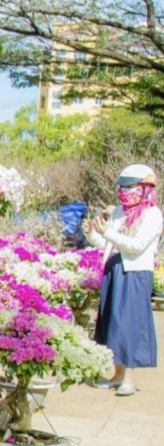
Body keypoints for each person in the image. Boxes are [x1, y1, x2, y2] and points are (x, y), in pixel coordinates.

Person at [84, 164, 163, 395]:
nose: (124, 191)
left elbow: (136, 246)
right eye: (122, 186)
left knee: (130, 323)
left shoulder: (153, 214)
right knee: (112, 322)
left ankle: (129, 377)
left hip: (135, 273)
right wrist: (92, 233)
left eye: (130, 186)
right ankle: (116, 375)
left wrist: (108, 232)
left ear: (145, 188)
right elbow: (110, 244)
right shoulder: (119, 211)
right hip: (114, 269)